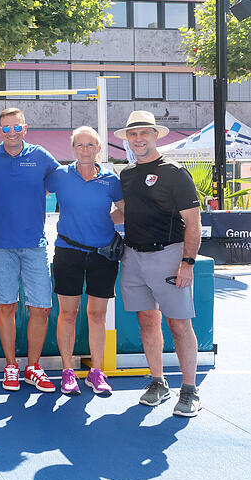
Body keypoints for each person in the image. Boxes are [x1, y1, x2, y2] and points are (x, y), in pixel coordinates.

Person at [114, 110, 202, 417]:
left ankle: (189, 389)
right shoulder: (126, 175)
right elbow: (125, 214)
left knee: (179, 324)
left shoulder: (175, 172)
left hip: (169, 255)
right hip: (134, 256)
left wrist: (187, 264)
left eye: (144, 133)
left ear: (155, 135)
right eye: (133, 134)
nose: (138, 139)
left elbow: (193, 222)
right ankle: (158, 381)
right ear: (128, 139)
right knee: (147, 320)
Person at [0, 108, 59, 392]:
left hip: (35, 244)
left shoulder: (41, 156)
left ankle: (33, 367)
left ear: (26, 128)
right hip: (0, 246)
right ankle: (11, 365)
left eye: (16, 127)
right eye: (5, 128)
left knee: (41, 308)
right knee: (7, 306)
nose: (11, 132)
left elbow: (64, 181)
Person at [44, 126, 123, 396]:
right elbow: (29, 193)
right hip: (68, 252)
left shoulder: (111, 180)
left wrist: (105, 221)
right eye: (80, 145)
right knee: (68, 313)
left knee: (97, 314)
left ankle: (96, 372)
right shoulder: (59, 176)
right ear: (73, 148)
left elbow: (126, 211)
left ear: (99, 148)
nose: (85, 150)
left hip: (103, 254)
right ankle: (67, 371)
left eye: (91, 145)